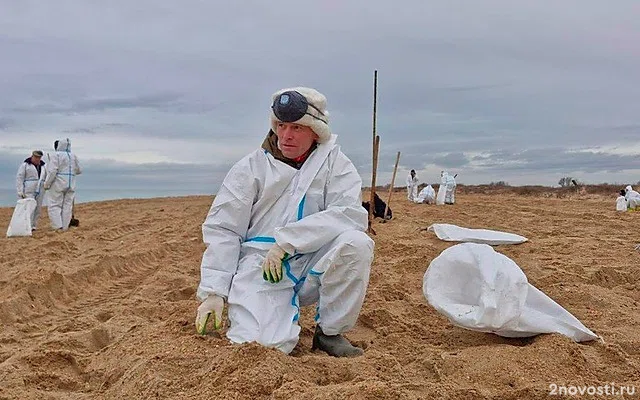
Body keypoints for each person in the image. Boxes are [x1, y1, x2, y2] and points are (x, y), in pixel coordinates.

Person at [195, 87, 374, 357]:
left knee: (357, 243)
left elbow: (350, 214)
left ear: (315, 131)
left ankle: (329, 332)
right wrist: (213, 290)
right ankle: (260, 311)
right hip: (260, 266)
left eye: (297, 128)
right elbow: (225, 229)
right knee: (263, 348)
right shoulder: (251, 168)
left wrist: (288, 243)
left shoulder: (336, 165)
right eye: (281, 125)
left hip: (311, 260)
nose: (286, 135)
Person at [43, 138, 82, 231]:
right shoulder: (73, 156)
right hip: (70, 184)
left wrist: (47, 183)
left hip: (58, 184)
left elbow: (52, 171)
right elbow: (79, 170)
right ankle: (65, 227)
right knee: (67, 206)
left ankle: (57, 227)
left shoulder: (56, 155)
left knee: (54, 205)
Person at [15, 150, 46, 230]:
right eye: (35, 157)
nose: (37, 159)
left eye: (39, 157)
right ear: (32, 156)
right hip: (28, 190)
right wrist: (20, 190)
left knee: (38, 208)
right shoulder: (25, 165)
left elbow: (46, 176)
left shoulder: (43, 166)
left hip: (40, 189)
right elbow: (20, 178)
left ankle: (33, 225)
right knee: (29, 208)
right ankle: (26, 225)